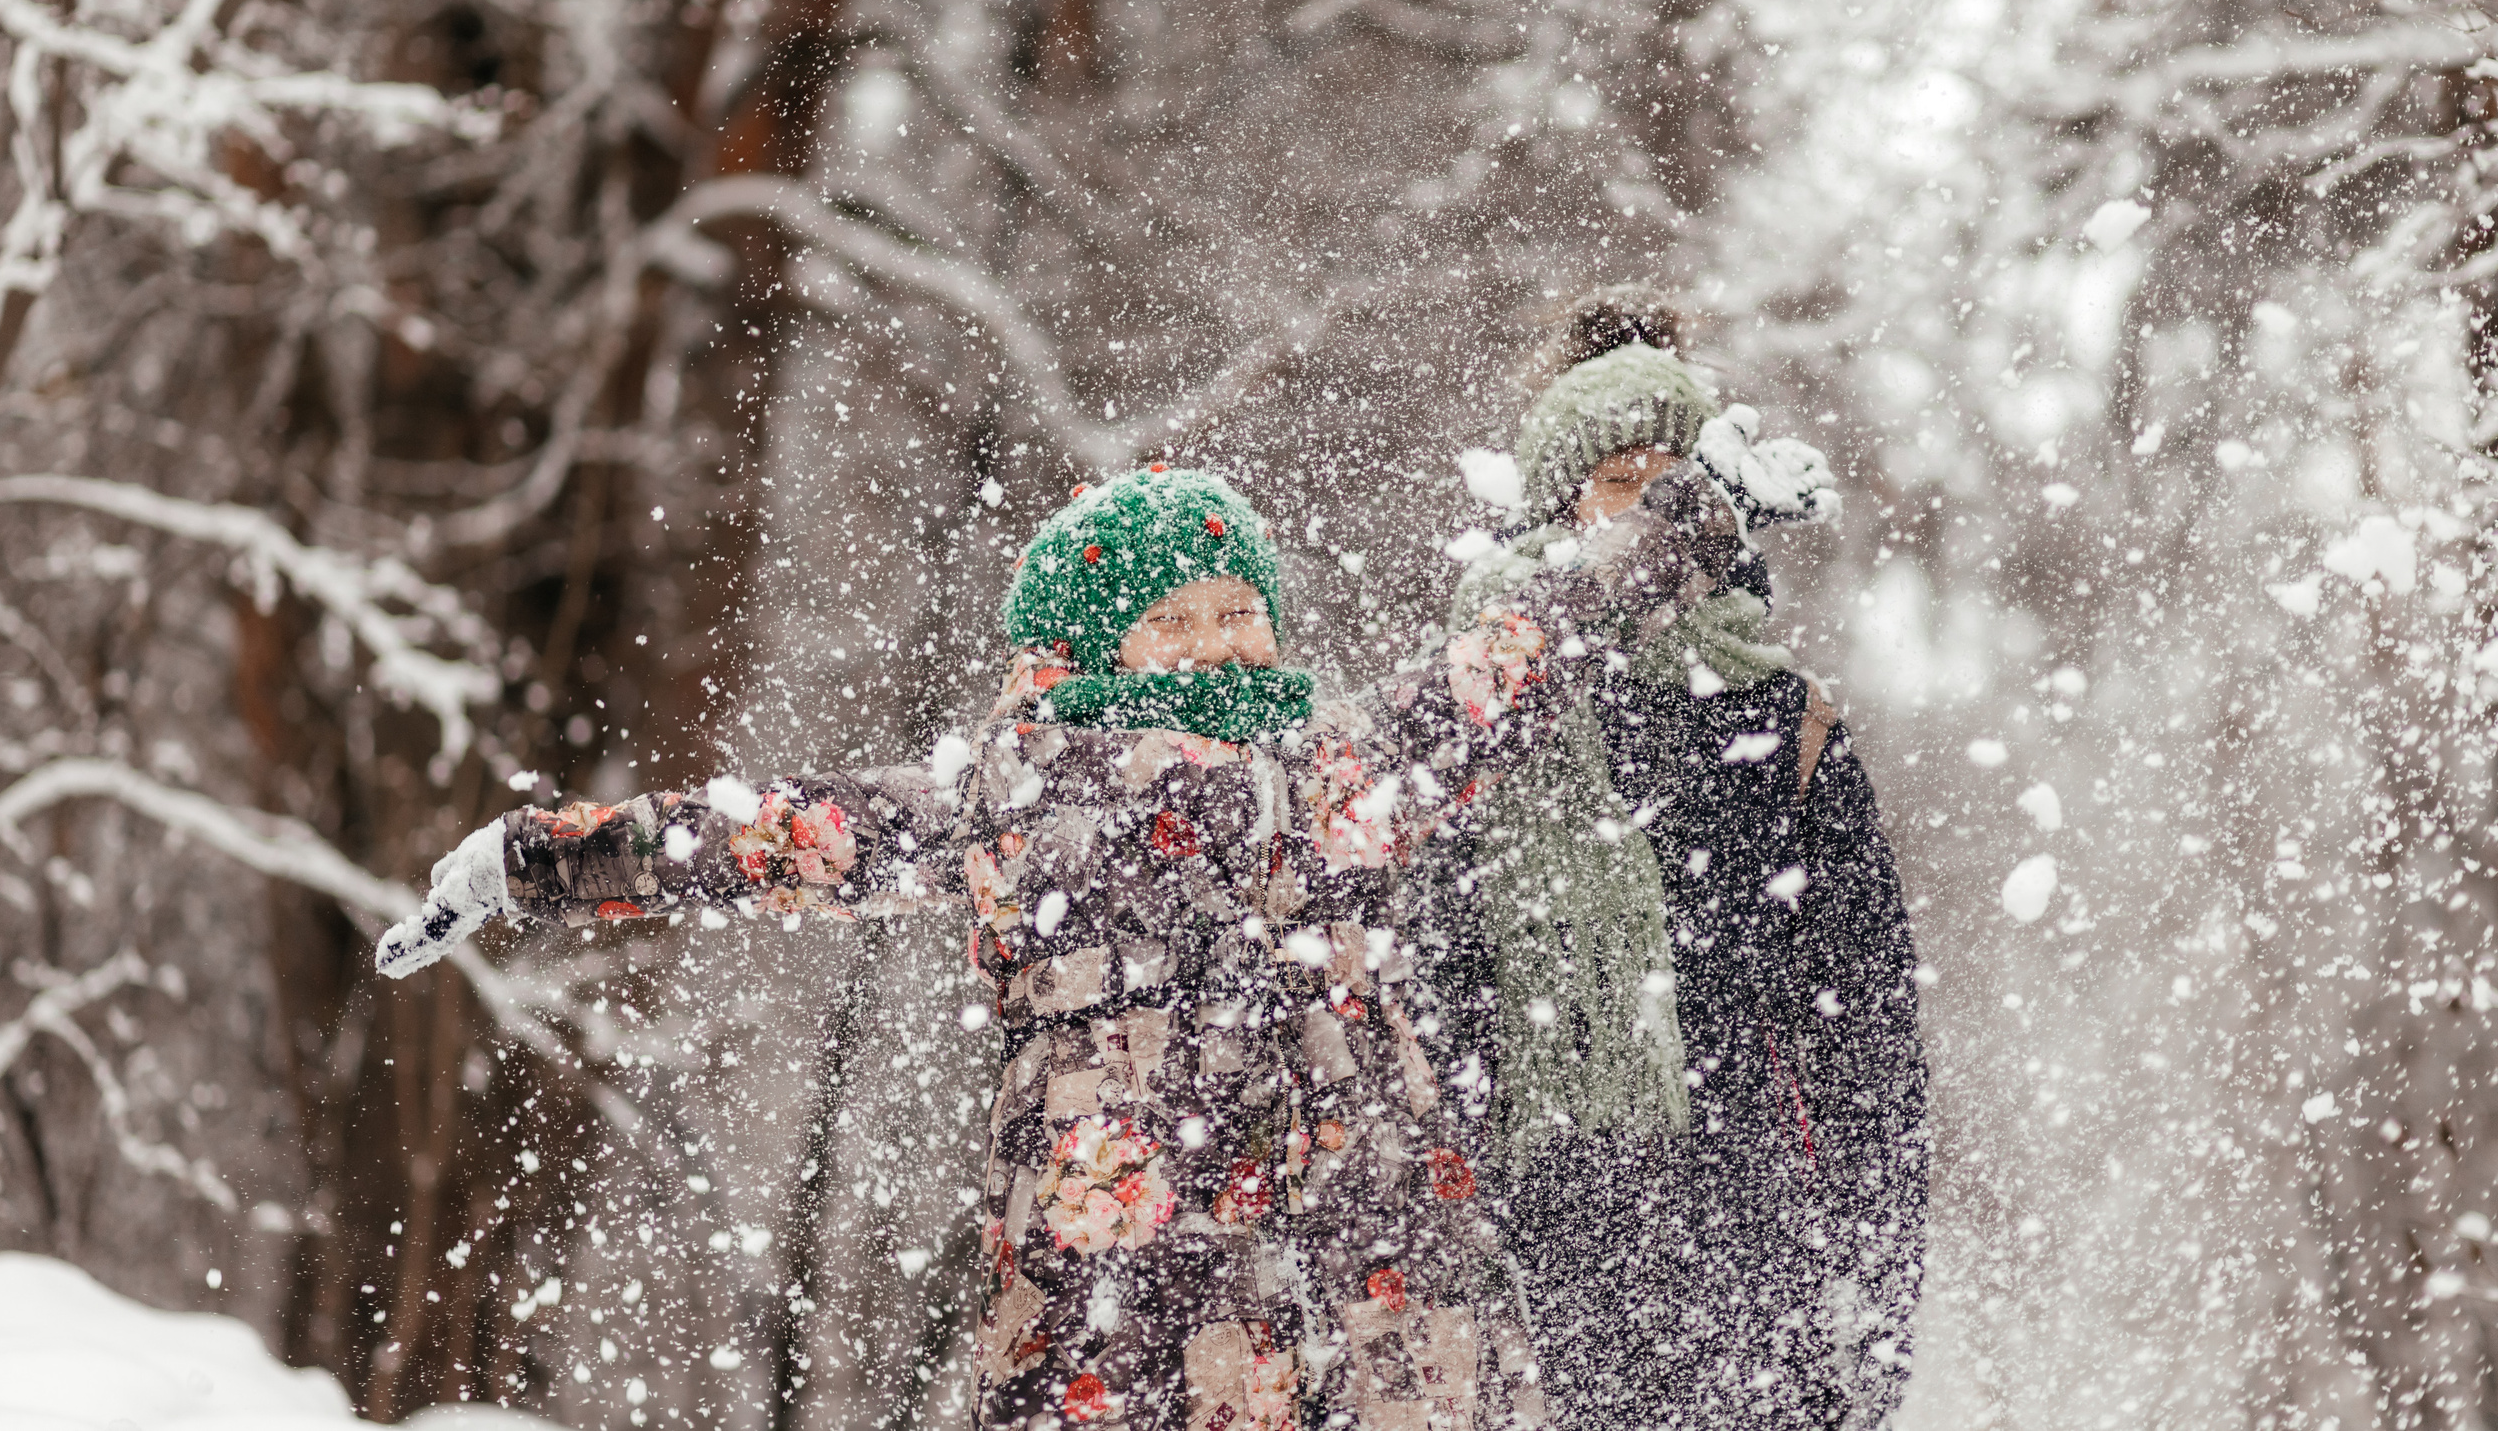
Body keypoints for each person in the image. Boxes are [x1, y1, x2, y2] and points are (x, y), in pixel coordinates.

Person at [377, 461, 1750, 1431]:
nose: (1220, 642)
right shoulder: (1029, 790)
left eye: (1239, 608)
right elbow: (777, 832)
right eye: (1178, 619)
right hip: (1132, 1241)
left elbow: (1500, 666)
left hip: (1347, 1215)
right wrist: (544, 858)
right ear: (1099, 646)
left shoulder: (1318, 766)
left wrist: (1672, 530)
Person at [1432, 301, 1929, 1431]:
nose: (1660, 510)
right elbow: (1440, 1006)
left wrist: (1871, 1298)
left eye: (1678, 476)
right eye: (1622, 484)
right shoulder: (1482, 714)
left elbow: (1863, 1042)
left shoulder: (1780, 716)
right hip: (1539, 1251)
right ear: (1562, 511)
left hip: (1753, 1256)